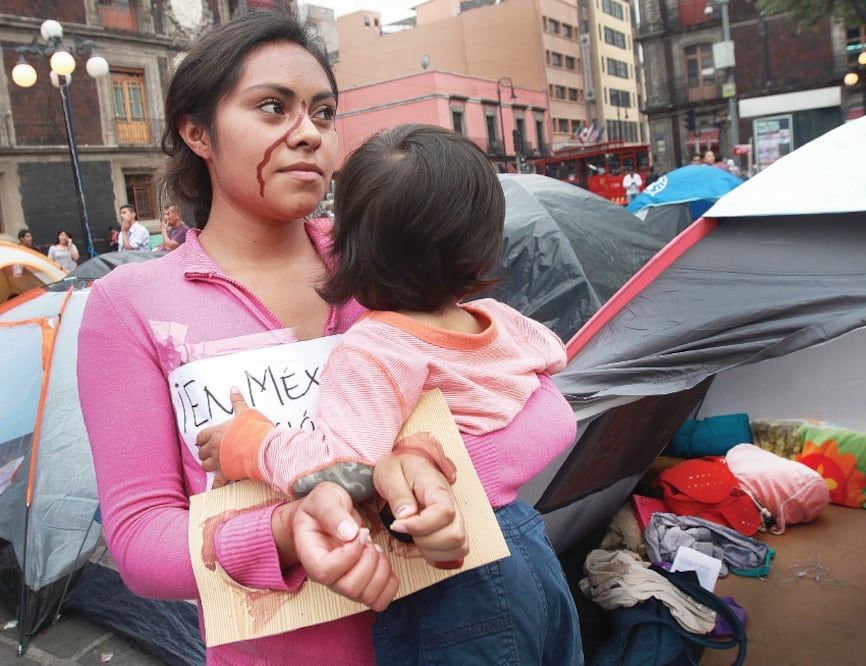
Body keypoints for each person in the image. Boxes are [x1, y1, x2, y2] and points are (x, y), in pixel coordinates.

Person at [76, 10, 473, 664]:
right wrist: (283, 530)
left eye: (322, 113)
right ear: (197, 132)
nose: (308, 134)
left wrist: (429, 470)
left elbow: (509, 395)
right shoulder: (130, 307)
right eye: (272, 108)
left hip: (457, 634)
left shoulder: (383, 267)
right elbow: (142, 540)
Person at [196, 124, 584, 664]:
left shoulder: (379, 349)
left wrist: (250, 443)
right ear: (482, 247)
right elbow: (554, 358)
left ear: (351, 244)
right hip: (530, 549)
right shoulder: (500, 322)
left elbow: (342, 465)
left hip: (452, 582)